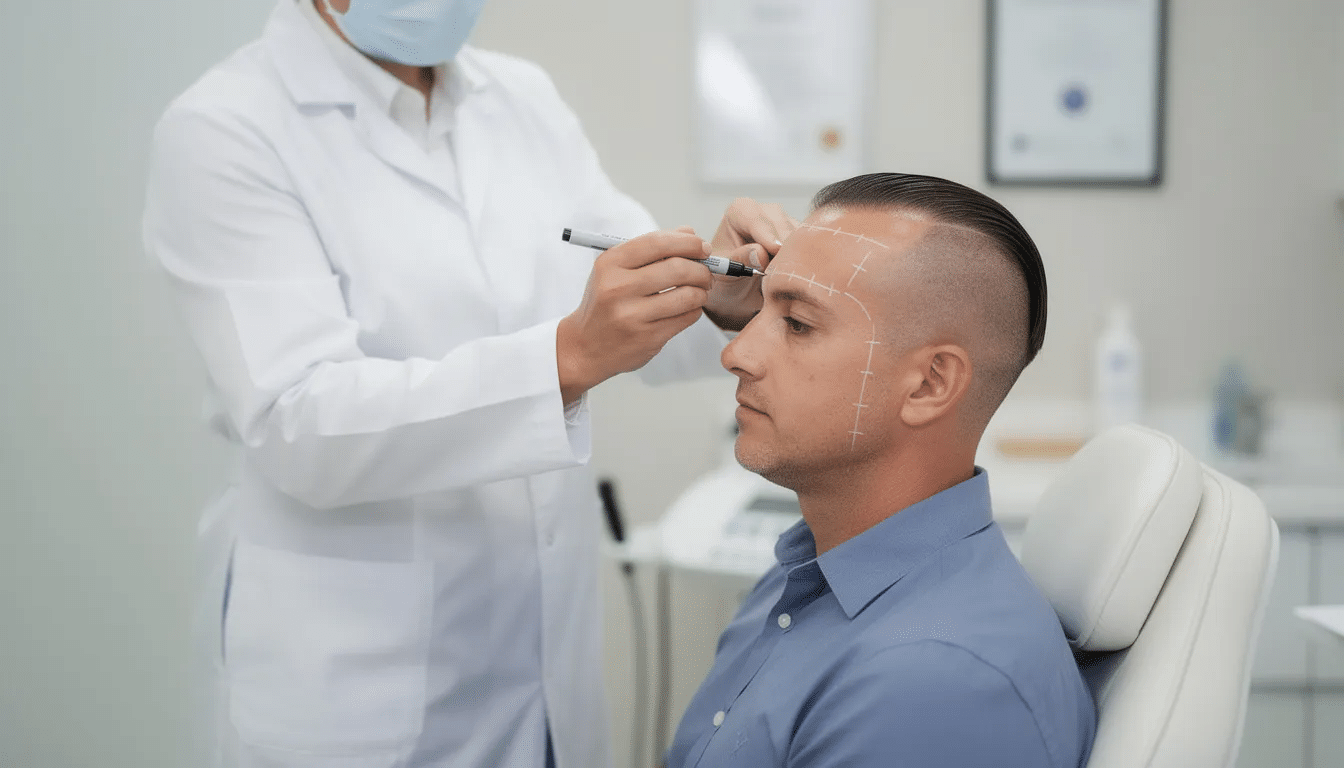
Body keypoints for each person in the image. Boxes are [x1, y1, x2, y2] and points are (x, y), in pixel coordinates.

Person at [141, 1, 793, 767]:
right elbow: (298, 423)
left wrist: (719, 294)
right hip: (354, 690)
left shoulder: (522, 98)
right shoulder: (227, 127)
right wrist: (565, 357)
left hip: (542, 663)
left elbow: (623, 293)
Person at [665, 172, 1097, 768]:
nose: (735, 352)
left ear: (929, 383)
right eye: (761, 311)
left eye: (797, 324)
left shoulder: (935, 684)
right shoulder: (806, 576)